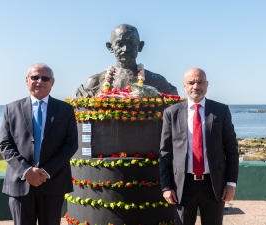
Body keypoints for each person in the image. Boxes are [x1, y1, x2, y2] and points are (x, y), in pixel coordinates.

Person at [0, 63, 78, 225]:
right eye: (35, 77)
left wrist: (46, 172)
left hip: (53, 182)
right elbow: (5, 145)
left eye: (45, 78)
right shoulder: (11, 109)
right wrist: (26, 171)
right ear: (27, 80)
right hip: (20, 183)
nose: (39, 81)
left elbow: (71, 144)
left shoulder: (66, 110)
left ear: (52, 82)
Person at [159, 68, 239, 225]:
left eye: (200, 82)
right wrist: (166, 187)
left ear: (207, 84)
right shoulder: (171, 113)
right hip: (182, 186)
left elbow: (231, 150)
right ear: (184, 85)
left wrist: (231, 184)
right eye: (191, 82)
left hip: (214, 186)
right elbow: (166, 152)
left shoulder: (221, 111)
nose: (196, 86)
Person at [76, 24, 178, 97]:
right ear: (110, 47)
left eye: (131, 43)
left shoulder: (158, 82)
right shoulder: (94, 83)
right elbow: (84, 123)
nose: (125, 49)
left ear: (140, 46)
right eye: (120, 44)